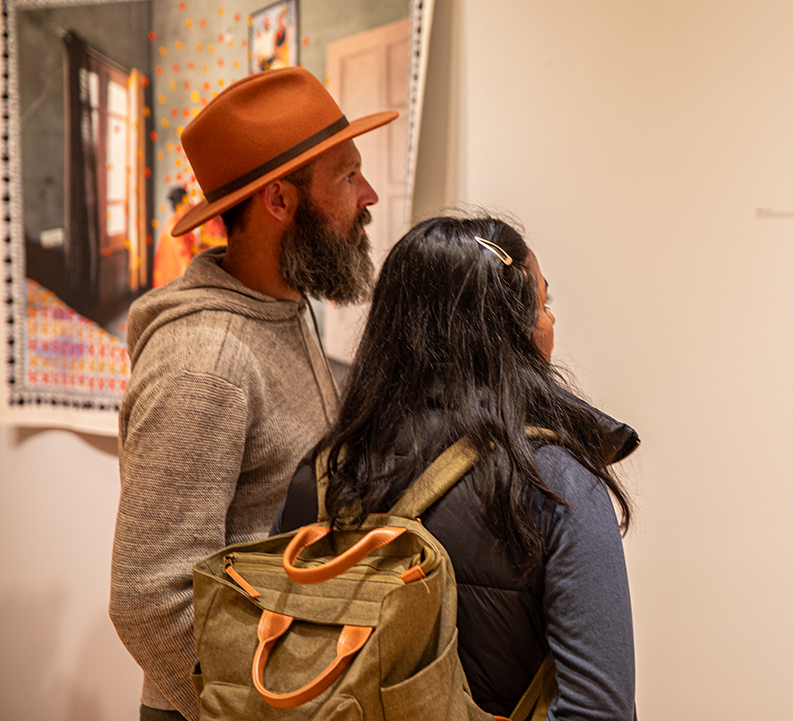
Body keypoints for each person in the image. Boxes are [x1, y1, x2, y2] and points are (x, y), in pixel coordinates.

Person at [110, 66, 395, 721]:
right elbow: (148, 595)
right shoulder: (205, 359)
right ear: (278, 201)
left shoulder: (283, 308)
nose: (370, 194)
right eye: (348, 176)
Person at [275, 216, 640, 720]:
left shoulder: (323, 474)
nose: (550, 322)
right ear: (510, 330)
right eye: (542, 304)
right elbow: (598, 709)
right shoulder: (554, 482)